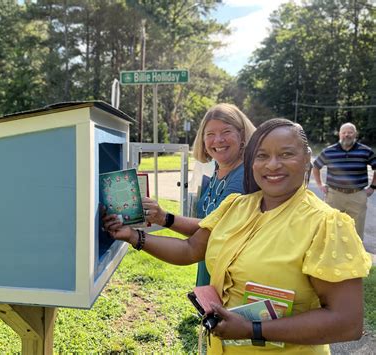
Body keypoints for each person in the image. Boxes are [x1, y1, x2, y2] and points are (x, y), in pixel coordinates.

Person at [104, 118, 371, 354]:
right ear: (251, 162)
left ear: (306, 160)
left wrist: (252, 329)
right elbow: (190, 250)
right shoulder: (236, 206)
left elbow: (347, 322)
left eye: (286, 154)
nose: (273, 165)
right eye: (262, 156)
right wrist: (132, 236)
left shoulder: (327, 225)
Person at [142, 103, 256, 286]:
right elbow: (205, 227)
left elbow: (211, 230)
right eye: (210, 134)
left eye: (226, 131)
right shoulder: (219, 169)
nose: (218, 140)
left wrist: (163, 217)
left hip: (229, 281)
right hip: (210, 266)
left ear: (242, 135)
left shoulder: (242, 178)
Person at [313, 122, 376, 239]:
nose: (347, 135)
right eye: (344, 132)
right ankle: (332, 253)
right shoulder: (329, 151)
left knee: (356, 232)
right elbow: (316, 167)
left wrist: (373, 187)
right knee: (331, 228)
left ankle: (355, 255)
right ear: (339, 134)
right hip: (334, 195)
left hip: (357, 195)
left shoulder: (365, 151)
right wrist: (320, 184)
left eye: (350, 132)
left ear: (355, 134)